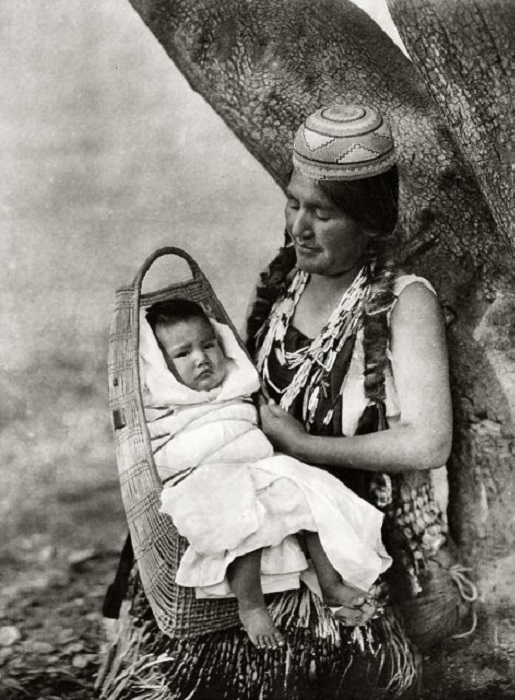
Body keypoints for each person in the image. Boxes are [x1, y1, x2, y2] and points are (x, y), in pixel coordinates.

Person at [98, 104, 453, 700]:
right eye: (293, 204)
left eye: (323, 213)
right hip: (256, 494)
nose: (298, 228)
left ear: (369, 220)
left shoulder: (404, 300)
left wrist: (303, 446)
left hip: (342, 516)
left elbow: (429, 442)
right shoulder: (286, 281)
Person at [141, 297, 392, 650]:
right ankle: (251, 605)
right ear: (160, 366)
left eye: (209, 345)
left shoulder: (237, 385)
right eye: (183, 354)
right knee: (245, 520)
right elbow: (165, 453)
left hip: (258, 465)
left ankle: (331, 583)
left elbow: (251, 424)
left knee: (313, 494)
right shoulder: (163, 403)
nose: (201, 358)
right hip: (208, 478)